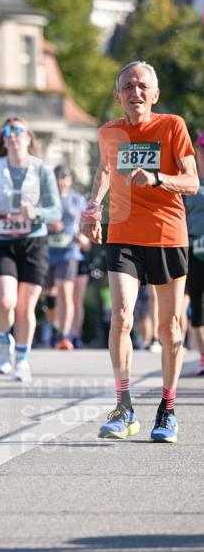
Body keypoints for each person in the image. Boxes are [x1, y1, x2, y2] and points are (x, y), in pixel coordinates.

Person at [82, 61, 198, 443]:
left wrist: (159, 179)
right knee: (121, 316)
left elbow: (193, 182)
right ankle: (124, 406)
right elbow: (103, 170)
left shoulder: (171, 126)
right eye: (128, 86)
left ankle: (167, 409)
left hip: (167, 235)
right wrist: (93, 207)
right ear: (117, 95)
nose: (136, 92)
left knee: (169, 329)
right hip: (124, 235)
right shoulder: (108, 133)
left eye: (143, 85)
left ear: (155, 94)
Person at [0, 117, 62, 382]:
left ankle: (22, 360)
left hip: (33, 243)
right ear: (3, 139)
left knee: (25, 307)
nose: (12, 135)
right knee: (4, 301)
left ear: (28, 138)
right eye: (7, 131)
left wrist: (34, 212)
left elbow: (55, 211)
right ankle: (3, 341)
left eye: (18, 130)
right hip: (3, 242)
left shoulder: (42, 171)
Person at [45, 165, 89, 350]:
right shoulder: (46, 199)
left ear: (70, 180)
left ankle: (65, 335)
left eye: (65, 177)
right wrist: (48, 226)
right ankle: (55, 328)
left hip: (70, 251)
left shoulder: (78, 200)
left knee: (65, 291)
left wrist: (84, 237)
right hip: (48, 251)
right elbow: (35, 221)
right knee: (49, 295)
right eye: (58, 177)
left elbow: (86, 224)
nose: (61, 180)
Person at [183, 129, 204, 376]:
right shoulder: (188, 179)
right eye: (202, 149)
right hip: (194, 249)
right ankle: (202, 357)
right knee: (197, 306)